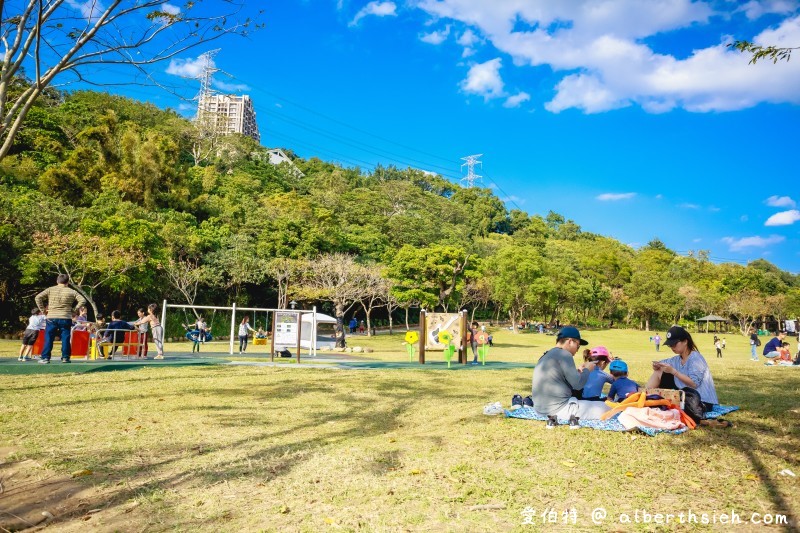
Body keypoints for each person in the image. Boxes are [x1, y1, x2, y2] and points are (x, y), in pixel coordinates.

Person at [531, 326, 610, 429]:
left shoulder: (547, 354)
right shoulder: (565, 354)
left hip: (539, 408)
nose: (578, 349)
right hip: (558, 409)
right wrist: (587, 370)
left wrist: (578, 373)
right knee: (607, 408)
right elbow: (578, 385)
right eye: (578, 345)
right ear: (570, 341)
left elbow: (559, 378)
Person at [646, 325, 719, 420]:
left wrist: (674, 372)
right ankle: (646, 397)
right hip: (686, 397)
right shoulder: (676, 359)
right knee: (659, 370)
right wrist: (656, 366)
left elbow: (694, 384)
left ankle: (648, 399)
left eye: (674, 344)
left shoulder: (696, 358)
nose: (672, 347)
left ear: (685, 341)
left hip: (701, 402)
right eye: (670, 345)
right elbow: (661, 364)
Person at [35, 274, 88, 364]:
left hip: (51, 316)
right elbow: (83, 300)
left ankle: (45, 358)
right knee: (65, 338)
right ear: (67, 282)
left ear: (57, 281)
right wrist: (74, 310)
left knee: (49, 338)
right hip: (65, 317)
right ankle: (65, 357)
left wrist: (43, 310)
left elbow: (38, 297)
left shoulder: (50, 289)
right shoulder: (72, 291)